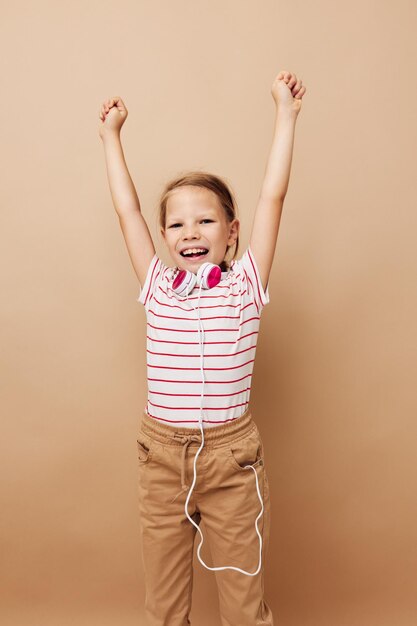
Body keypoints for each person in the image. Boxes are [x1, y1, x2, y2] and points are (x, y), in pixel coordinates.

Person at [98, 70, 306, 626]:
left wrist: (285, 115)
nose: (191, 232)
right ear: (165, 237)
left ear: (232, 232)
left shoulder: (245, 287)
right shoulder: (158, 287)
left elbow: (272, 195)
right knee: (164, 607)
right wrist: (111, 138)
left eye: (206, 220)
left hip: (231, 461)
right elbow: (127, 211)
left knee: (243, 604)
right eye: (178, 224)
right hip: (161, 456)